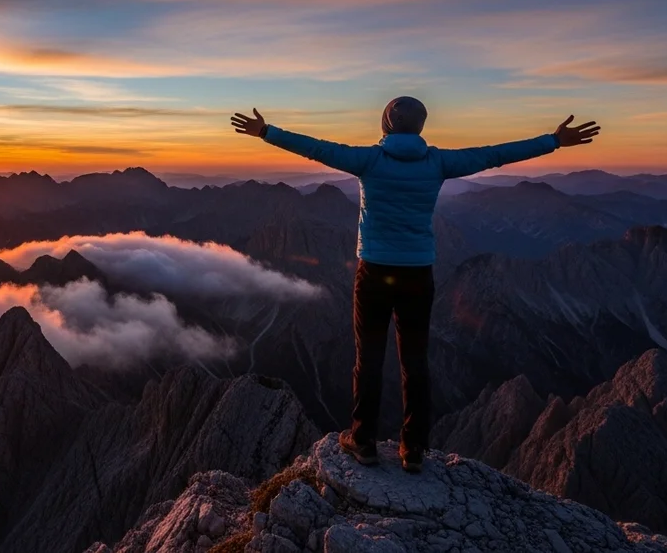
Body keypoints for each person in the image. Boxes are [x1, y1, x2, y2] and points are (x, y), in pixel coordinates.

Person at [230, 98, 599, 473]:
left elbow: (316, 148)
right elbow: (495, 155)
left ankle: (363, 441)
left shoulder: (369, 161)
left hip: (373, 272)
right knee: (415, 362)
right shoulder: (438, 162)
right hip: (417, 274)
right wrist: (552, 141)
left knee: (368, 359)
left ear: (386, 123)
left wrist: (266, 132)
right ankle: (413, 448)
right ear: (421, 126)